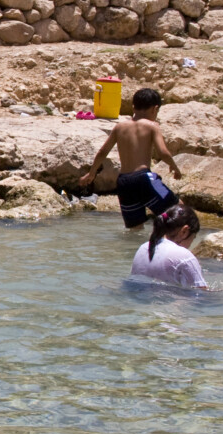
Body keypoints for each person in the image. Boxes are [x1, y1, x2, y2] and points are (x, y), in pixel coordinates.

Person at [80, 87, 184, 229]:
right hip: (143, 178)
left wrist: (91, 173)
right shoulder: (152, 126)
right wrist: (174, 166)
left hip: (124, 183)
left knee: (135, 229)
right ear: (155, 109)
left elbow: (103, 152)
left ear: (133, 107)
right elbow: (163, 152)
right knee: (179, 211)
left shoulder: (119, 127)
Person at [130, 205, 208, 290]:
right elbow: (201, 295)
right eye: (193, 238)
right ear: (184, 231)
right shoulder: (185, 257)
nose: (190, 245)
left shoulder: (144, 247)